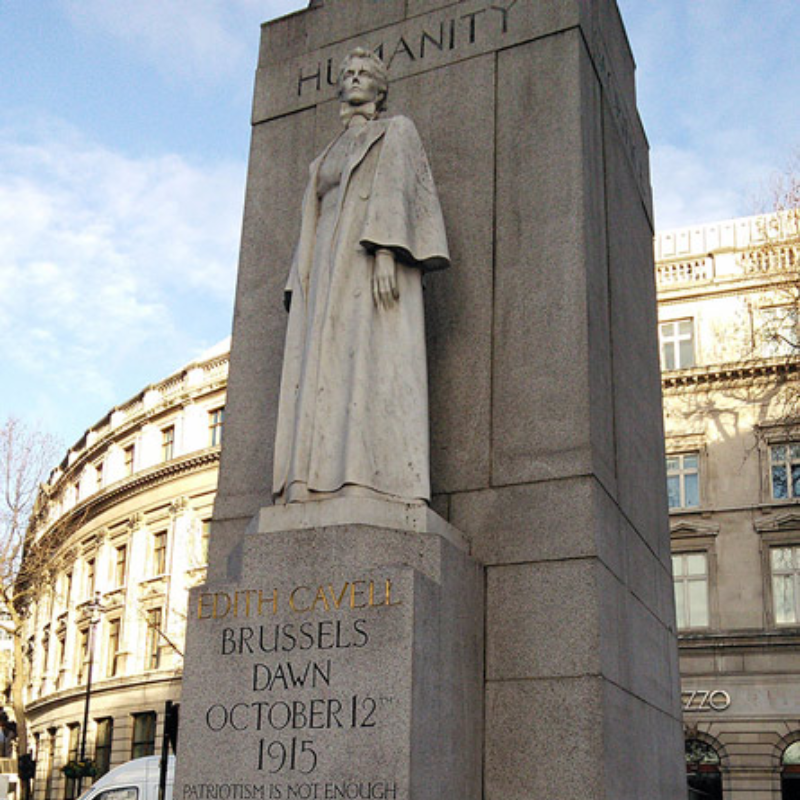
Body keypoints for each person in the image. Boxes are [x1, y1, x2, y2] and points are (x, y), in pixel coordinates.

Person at [273, 48, 450, 505]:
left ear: (379, 87)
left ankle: (367, 476)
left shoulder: (396, 130)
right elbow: (312, 216)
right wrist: (300, 280)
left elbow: (400, 189)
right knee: (322, 369)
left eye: (363, 73)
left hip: (365, 256)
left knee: (366, 362)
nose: (354, 79)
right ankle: (307, 480)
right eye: (348, 73)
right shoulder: (324, 155)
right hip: (325, 264)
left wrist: (387, 249)